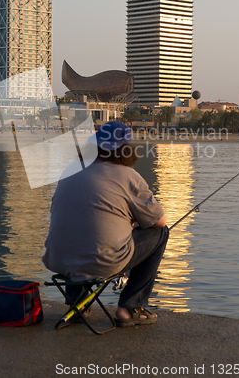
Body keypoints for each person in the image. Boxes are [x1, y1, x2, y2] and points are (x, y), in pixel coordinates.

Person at [43, 121, 169, 327]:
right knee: (160, 233)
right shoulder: (128, 176)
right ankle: (129, 308)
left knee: (79, 233)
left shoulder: (70, 170)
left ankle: (78, 303)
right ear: (126, 149)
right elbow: (159, 221)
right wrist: (134, 220)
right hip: (103, 262)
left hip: (58, 260)